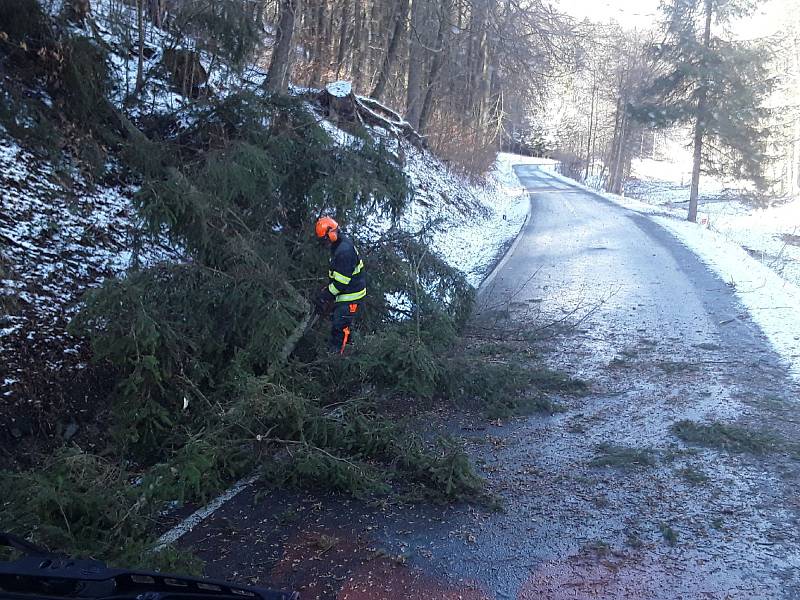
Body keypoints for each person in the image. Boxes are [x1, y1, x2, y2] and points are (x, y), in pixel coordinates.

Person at [313, 217, 366, 355]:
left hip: (351, 295)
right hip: (345, 290)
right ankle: (342, 349)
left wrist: (325, 296)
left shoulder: (344, 252)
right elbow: (337, 277)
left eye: (325, 240)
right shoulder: (338, 245)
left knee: (340, 326)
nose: (325, 244)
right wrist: (326, 292)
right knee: (337, 321)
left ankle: (337, 357)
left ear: (332, 233)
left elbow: (341, 283)